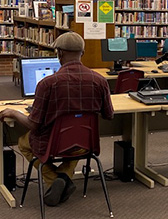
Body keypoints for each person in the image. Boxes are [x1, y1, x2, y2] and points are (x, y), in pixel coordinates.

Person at [0, 32, 114, 206]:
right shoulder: (99, 81)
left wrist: (14, 112)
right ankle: (64, 177)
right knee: (76, 141)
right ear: (82, 53)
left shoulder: (47, 84)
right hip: (85, 144)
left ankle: (55, 180)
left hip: (52, 145)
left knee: (24, 142)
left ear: (59, 53)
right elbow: (109, 115)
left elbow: (34, 125)